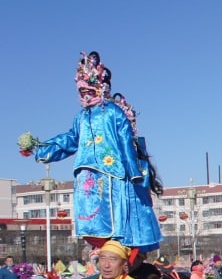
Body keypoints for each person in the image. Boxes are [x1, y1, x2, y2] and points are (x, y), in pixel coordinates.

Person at [31, 51, 162, 251]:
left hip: (111, 172)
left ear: (99, 88)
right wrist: (41, 148)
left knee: (114, 214)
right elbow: (69, 139)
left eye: (89, 91)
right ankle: (99, 247)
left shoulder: (113, 112)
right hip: (86, 172)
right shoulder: (81, 117)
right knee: (89, 215)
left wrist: (134, 172)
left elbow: (126, 141)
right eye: (81, 92)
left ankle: (118, 245)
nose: (85, 95)